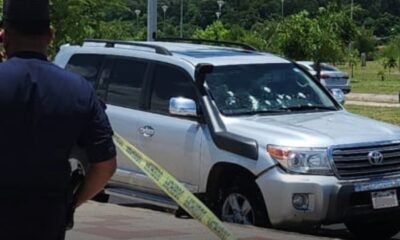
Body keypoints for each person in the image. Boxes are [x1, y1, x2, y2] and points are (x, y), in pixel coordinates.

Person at [0, 0, 117, 239]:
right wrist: (71, 204)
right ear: (50, 35)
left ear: (4, 36)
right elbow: (105, 166)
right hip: (47, 220)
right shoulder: (79, 90)